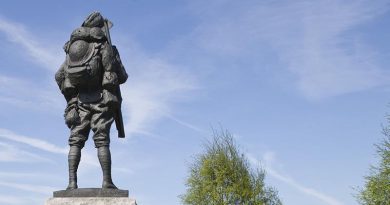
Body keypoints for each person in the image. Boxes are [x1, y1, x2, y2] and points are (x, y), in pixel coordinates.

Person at [55, 11, 128, 190]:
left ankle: (72, 183)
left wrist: (71, 99)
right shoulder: (104, 46)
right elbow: (123, 77)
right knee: (102, 140)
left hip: (79, 103)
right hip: (101, 100)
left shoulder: (73, 49)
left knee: (75, 141)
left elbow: (59, 76)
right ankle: (107, 181)